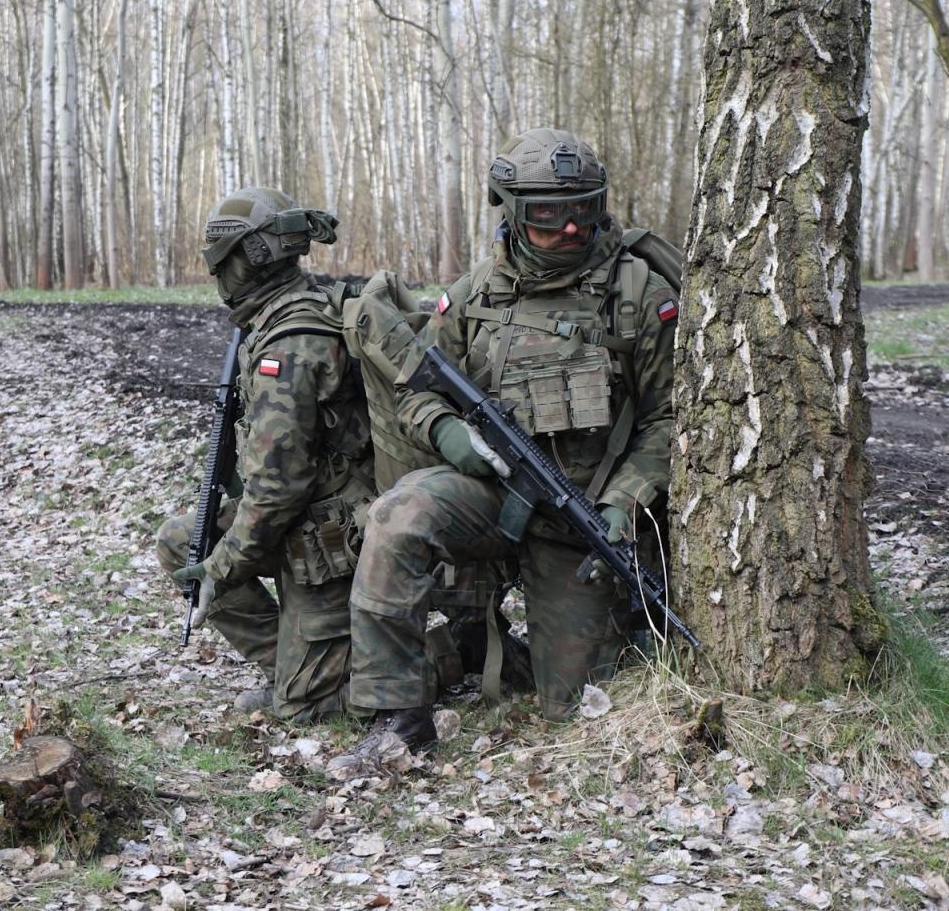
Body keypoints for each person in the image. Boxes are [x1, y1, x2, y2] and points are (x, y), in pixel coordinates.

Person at [332, 128, 680, 764]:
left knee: (575, 709)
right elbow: (417, 391)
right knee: (398, 516)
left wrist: (626, 500)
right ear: (514, 214)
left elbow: (668, 419)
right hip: (489, 494)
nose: (571, 233)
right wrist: (447, 434)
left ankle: (497, 654)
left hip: (583, 518)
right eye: (549, 219)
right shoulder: (471, 297)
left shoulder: (639, 298)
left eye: (584, 213)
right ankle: (399, 718)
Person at [155, 187, 375, 721]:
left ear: (251, 257)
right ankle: (293, 672)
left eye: (220, 261)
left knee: (309, 711)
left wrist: (223, 568)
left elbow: (278, 489)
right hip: (304, 518)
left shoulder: (289, 342)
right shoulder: (280, 317)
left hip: (335, 536)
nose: (216, 275)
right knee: (184, 540)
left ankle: (454, 657)